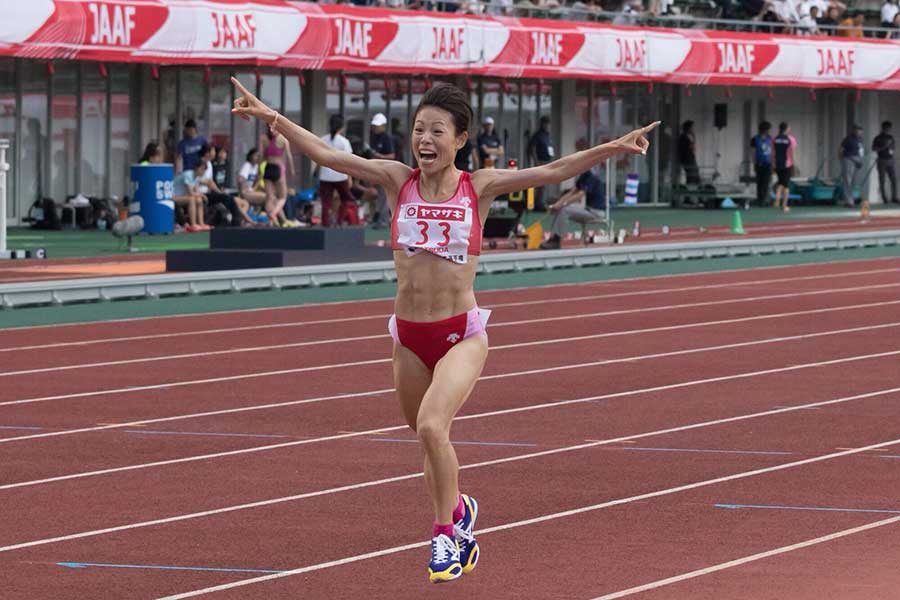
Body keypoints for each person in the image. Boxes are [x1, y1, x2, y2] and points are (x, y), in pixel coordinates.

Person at [231, 77, 657, 584]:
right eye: (418, 130)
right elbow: (327, 155)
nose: (424, 140)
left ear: (461, 139)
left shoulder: (479, 186)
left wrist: (613, 145)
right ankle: (461, 511)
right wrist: (272, 119)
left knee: (434, 427)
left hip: (462, 332)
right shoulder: (396, 180)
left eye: (437, 131)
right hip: (408, 337)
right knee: (428, 444)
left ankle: (444, 538)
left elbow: (554, 170)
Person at [540, 139, 606, 249]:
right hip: (588, 209)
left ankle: (556, 241)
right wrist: (557, 204)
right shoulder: (584, 174)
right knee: (562, 209)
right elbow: (572, 191)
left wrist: (563, 204)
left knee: (565, 210)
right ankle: (553, 238)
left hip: (597, 212)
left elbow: (580, 195)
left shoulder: (592, 175)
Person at [317, 114, 355, 227]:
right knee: (345, 199)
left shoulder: (323, 140)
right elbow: (349, 161)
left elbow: (318, 158)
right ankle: (339, 221)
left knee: (326, 202)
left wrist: (317, 172)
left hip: (325, 176)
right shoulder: (344, 142)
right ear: (342, 127)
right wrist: (350, 177)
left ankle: (325, 224)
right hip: (341, 175)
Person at [262, 123, 296, 227]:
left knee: (270, 197)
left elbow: (261, 155)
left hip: (268, 168)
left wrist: (259, 171)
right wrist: (292, 170)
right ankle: (274, 213)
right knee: (282, 197)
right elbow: (289, 156)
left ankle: (271, 221)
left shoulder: (263, 138)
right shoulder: (283, 139)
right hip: (278, 168)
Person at [370, 113, 396, 228]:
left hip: (386, 172)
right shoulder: (374, 137)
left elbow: (392, 156)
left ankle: (384, 220)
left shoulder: (387, 137)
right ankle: (378, 218)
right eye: (374, 126)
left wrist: (379, 156)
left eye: (378, 126)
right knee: (378, 196)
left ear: (383, 126)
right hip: (376, 171)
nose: (375, 128)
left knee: (384, 196)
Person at [172, 160, 209, 232]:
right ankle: (193, 224)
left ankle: (201, 224)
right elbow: (191, 192)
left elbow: (196, 192)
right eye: (202, 169)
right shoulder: (188, 174)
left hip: (182, 197)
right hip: (173, 196)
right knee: (192, 199)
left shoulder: (196, 177)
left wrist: (201, 196)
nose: (203, 171)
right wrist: (202, 195)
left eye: (204, 170)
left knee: (199, 200)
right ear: (196, 168)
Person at [528, 115, 555, 210]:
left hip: (547, 161)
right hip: (540, 161)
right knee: (540, 184)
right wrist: (536, 162)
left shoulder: (547, 135)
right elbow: (533, 148)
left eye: (549, 123)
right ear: (542, 124)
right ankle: (537, 204)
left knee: (544, 185)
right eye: (546, 123)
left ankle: (540, 202)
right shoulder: (538, 135)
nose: (547, 125)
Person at [773, 122, 797, 212]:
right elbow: (792, 153)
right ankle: (784, 205)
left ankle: (777, 200)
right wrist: (793, 164)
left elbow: (772, 153)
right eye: (789, 128)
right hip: (787, 164)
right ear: (786, 129)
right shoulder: (790, 139)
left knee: (780, 183)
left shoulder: (775, 139)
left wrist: (773, 164)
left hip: (777, 164)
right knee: (786, 186)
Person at [750, 121, 774, 210]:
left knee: (766, 182)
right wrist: (754, 163)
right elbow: (753, 152)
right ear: (763, 130)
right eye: (767, 129)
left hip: (768, 163)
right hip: (759, 163)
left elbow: (772, 152)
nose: (768, 131)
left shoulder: (770, 139)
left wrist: (772, 163)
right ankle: (760, 199)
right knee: (759, 182)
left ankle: (764, 200)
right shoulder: (755, 139)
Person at [839, 124, 865, 206]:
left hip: (857, 160)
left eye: (861, 131)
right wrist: (842, 160)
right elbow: (840, 149)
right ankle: (849, 201)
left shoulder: (860, 140)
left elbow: (861, 151)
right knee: (847, 181)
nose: (860, 133)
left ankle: (854, 198)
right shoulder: (848, 139)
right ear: (854, 131)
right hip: (848, 159)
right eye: (858, 131)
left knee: (854, 181)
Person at [873, 121, 897, 204]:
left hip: (890, 159)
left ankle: (894, 197)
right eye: (886, 128)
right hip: (881, 160)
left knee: (894, 179)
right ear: (883, 128)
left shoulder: (891, 137)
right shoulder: (877, 138)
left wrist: (891, 148)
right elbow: (874, 149)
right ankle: (884, 198)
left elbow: (893, 147)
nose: (888, 130)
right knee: (882, 179)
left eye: (889, 128)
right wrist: (884, 147)